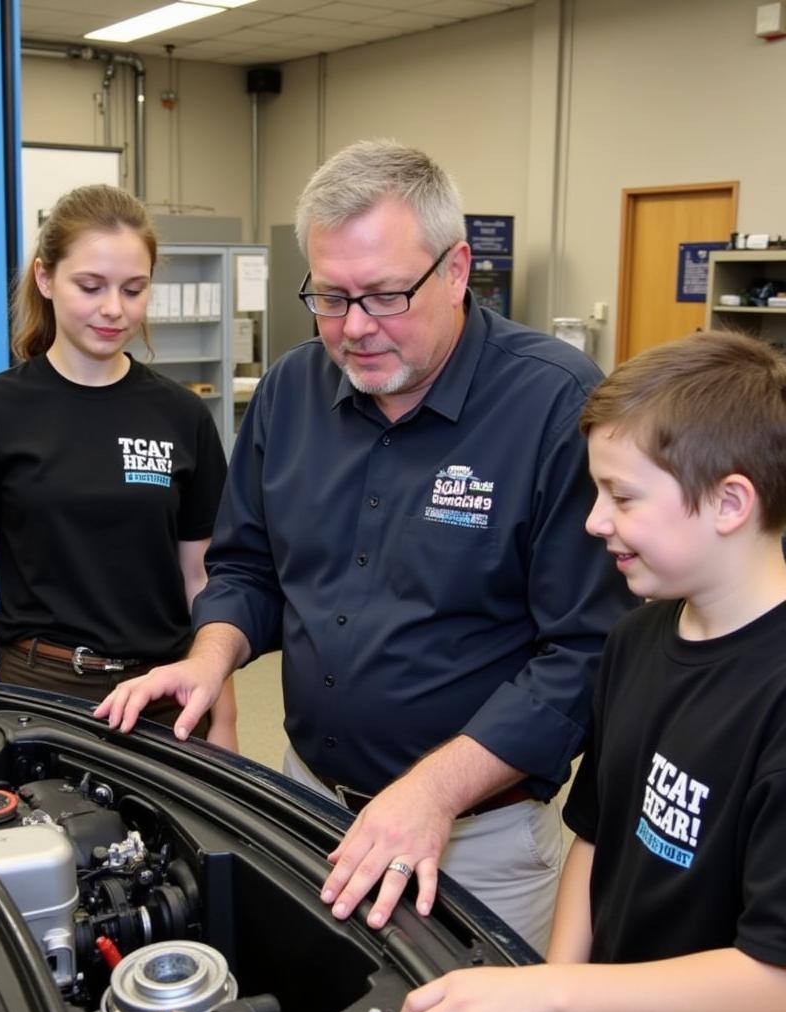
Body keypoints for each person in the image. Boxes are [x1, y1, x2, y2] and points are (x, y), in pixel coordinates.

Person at [96, 139, 634, 952]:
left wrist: (433, 792)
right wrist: (212, 655)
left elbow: (585, 652)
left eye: (383, 296)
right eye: (329, 297)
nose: (353, 329)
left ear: (457, 271)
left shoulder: (555, 407)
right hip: (306, 802)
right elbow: (249, 567)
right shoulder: (290, 389)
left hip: (474, 843)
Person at [397, 331, 786, 1012]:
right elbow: (595, 832)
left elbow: (771, 980)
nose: (594, 521)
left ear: (731, 503)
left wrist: (554, 995)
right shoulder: (635, 638)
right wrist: (560, 982)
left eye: (622, 496)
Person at [0, 184, 238, 749]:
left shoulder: (182, 415)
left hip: (165, 693)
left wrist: (226, 719)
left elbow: (204, 581)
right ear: (45, 279)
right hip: (41, 691)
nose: (113, 308)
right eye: (90, 286)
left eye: (133, 289)